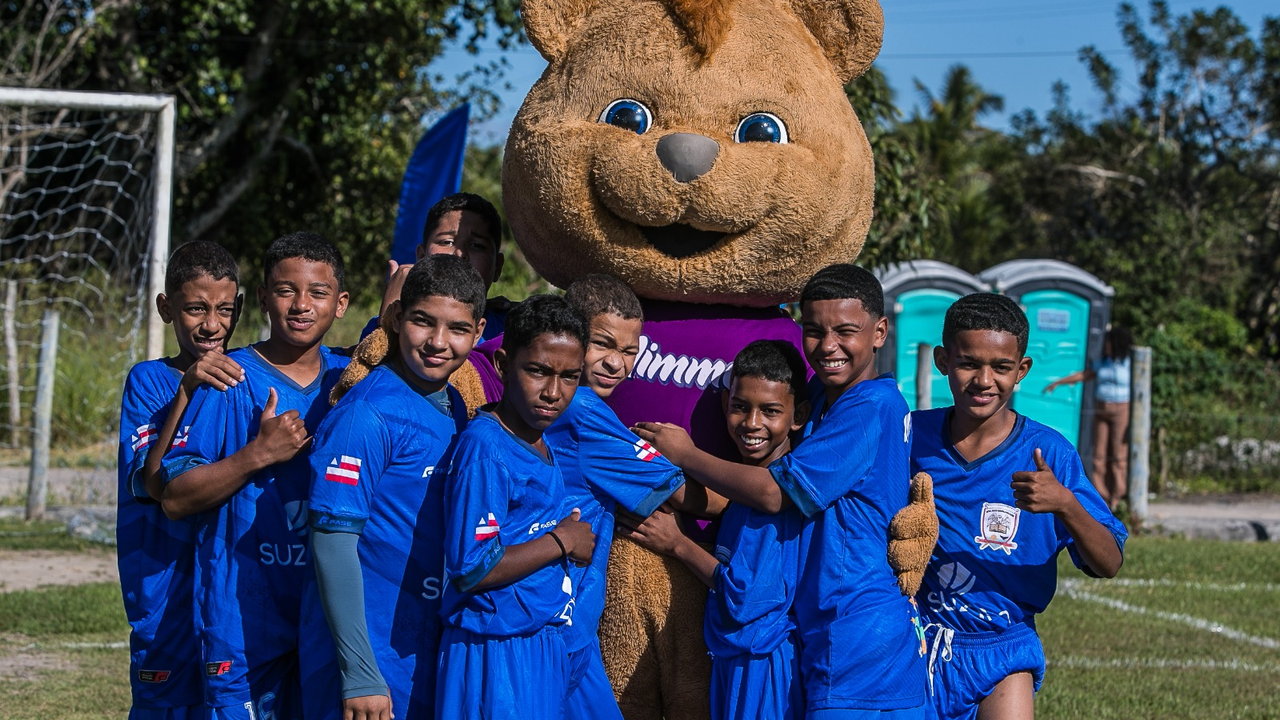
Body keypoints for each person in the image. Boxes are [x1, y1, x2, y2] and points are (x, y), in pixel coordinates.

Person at [635, 264, 928, 719]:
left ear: (880, 331)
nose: (828, 346)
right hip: (822, 628)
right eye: (814, 330)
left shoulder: (872, 406)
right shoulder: (826, 398)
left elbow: (775, 494)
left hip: (859, 634)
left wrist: (686, 454)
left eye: (845, 331)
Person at [161, 232, 351, 720]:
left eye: (318, 292)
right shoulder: (226, 379)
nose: (301, 305)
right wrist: (257, 454)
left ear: (342, 303)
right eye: (286, 290)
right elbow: (176, 498)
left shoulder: (352, 382)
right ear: (263, 298)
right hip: (243, 618)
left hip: (327, 617)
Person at [916, 293, 1126, 720]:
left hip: (1003, 648)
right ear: (942, 360)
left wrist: (1066, 504)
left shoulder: (1049, 453)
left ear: (1022, 370)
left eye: (1001, 367)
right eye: (969, 363)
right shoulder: (910, 437)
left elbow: (1110, 562)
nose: (983, 380)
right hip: (917, 640)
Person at [297, 256, 485, 720]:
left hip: (421, 650)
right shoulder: (367, 413)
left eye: (457, 328)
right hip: (367, 664)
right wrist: (359, 671)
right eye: (423, 322)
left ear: (478, 332)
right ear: (398, 317)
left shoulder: (456, 405)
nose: (439, 343)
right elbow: (332, 541)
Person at [621, 340, 809, 720]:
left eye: (770, 411)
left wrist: (677, 544)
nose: (752, 423)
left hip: (762, 664)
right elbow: (718, 500)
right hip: (736, 657)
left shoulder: (775, 495)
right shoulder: (750, 486)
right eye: (740, 407)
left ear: (797, 415)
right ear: (725, 404)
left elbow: (744, 597)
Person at [436, 294, 597, 719]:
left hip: (536, 643)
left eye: (570, 377)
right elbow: (472, 567)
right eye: (538, 371)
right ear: (503, 365)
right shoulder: (487, 447)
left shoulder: (539, 437)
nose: (553, 391)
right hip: (495, 652)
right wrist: (562, 540)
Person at [542, 274, 687, 720]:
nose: (616, 363)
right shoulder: (584, 410)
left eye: (629, 351)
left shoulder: (561, 405)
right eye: (603, 344)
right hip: (559, 626)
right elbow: (687, 496)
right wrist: (769, 494)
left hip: (569, 625)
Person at [116, 241, 243, 720]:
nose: (211, 324)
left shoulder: (245, 377)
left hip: (231, 583)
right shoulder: (149, 381)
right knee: (165, 705)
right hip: (163, 582)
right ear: (166, 308)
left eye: (223, 310)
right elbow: (152, 483)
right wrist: (188, 388)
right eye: (195, 308)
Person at [369, 192, 511, 342]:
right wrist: (389, 321)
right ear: (421, 257)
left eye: (476, 245)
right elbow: (368, 362)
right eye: (447, 242)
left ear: (497, 266)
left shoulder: (512, 331)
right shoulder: (384, 324)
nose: (459, 254)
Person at [1043, 326, 1133, 510]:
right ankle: (1103, 496)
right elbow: (1085, 375)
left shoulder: (1129, 363)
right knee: (1098, 455)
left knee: (1119, 455)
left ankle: (1118, 496)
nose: (1105, 346)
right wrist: (1059, 382)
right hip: (1101, 408)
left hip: (1122, 408)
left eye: (1108, 342)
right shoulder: (1103, 362)